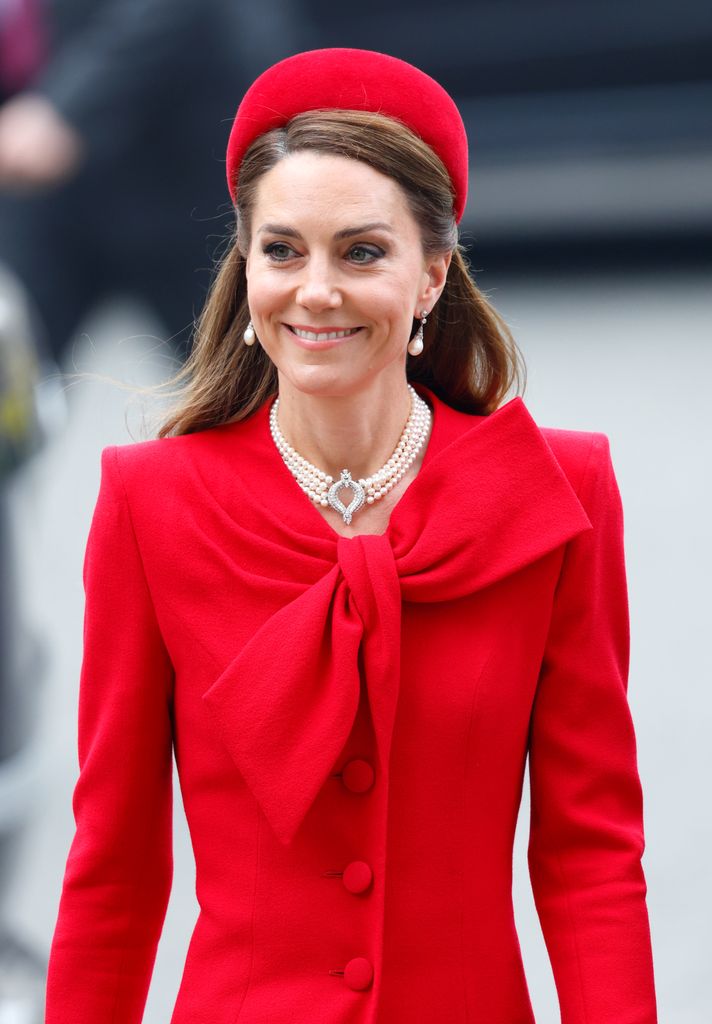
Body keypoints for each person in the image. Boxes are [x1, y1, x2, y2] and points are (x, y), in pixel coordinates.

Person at [44, 48, 658, 1023]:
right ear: (247, 267)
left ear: (432, 277)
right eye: (282, 250)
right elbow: (113, 869)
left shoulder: (556, 494)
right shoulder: (148, 503)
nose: (316, 290)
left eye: (361, 252)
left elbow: (592, 856)